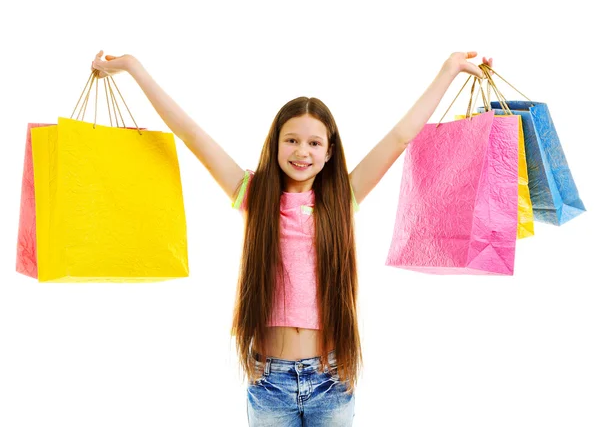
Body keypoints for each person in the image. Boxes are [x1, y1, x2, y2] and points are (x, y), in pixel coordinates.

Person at [91, 50, 492, 426]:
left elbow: (400, 137)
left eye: (314, 143)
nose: (302, 151)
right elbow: (191, 133)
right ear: (276, 144)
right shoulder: (252, 194)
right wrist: (134, 68)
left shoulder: (340, 199)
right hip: (269, 382)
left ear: (330, 151)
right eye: (292, 140)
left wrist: (449, 69)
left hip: (331, 380)